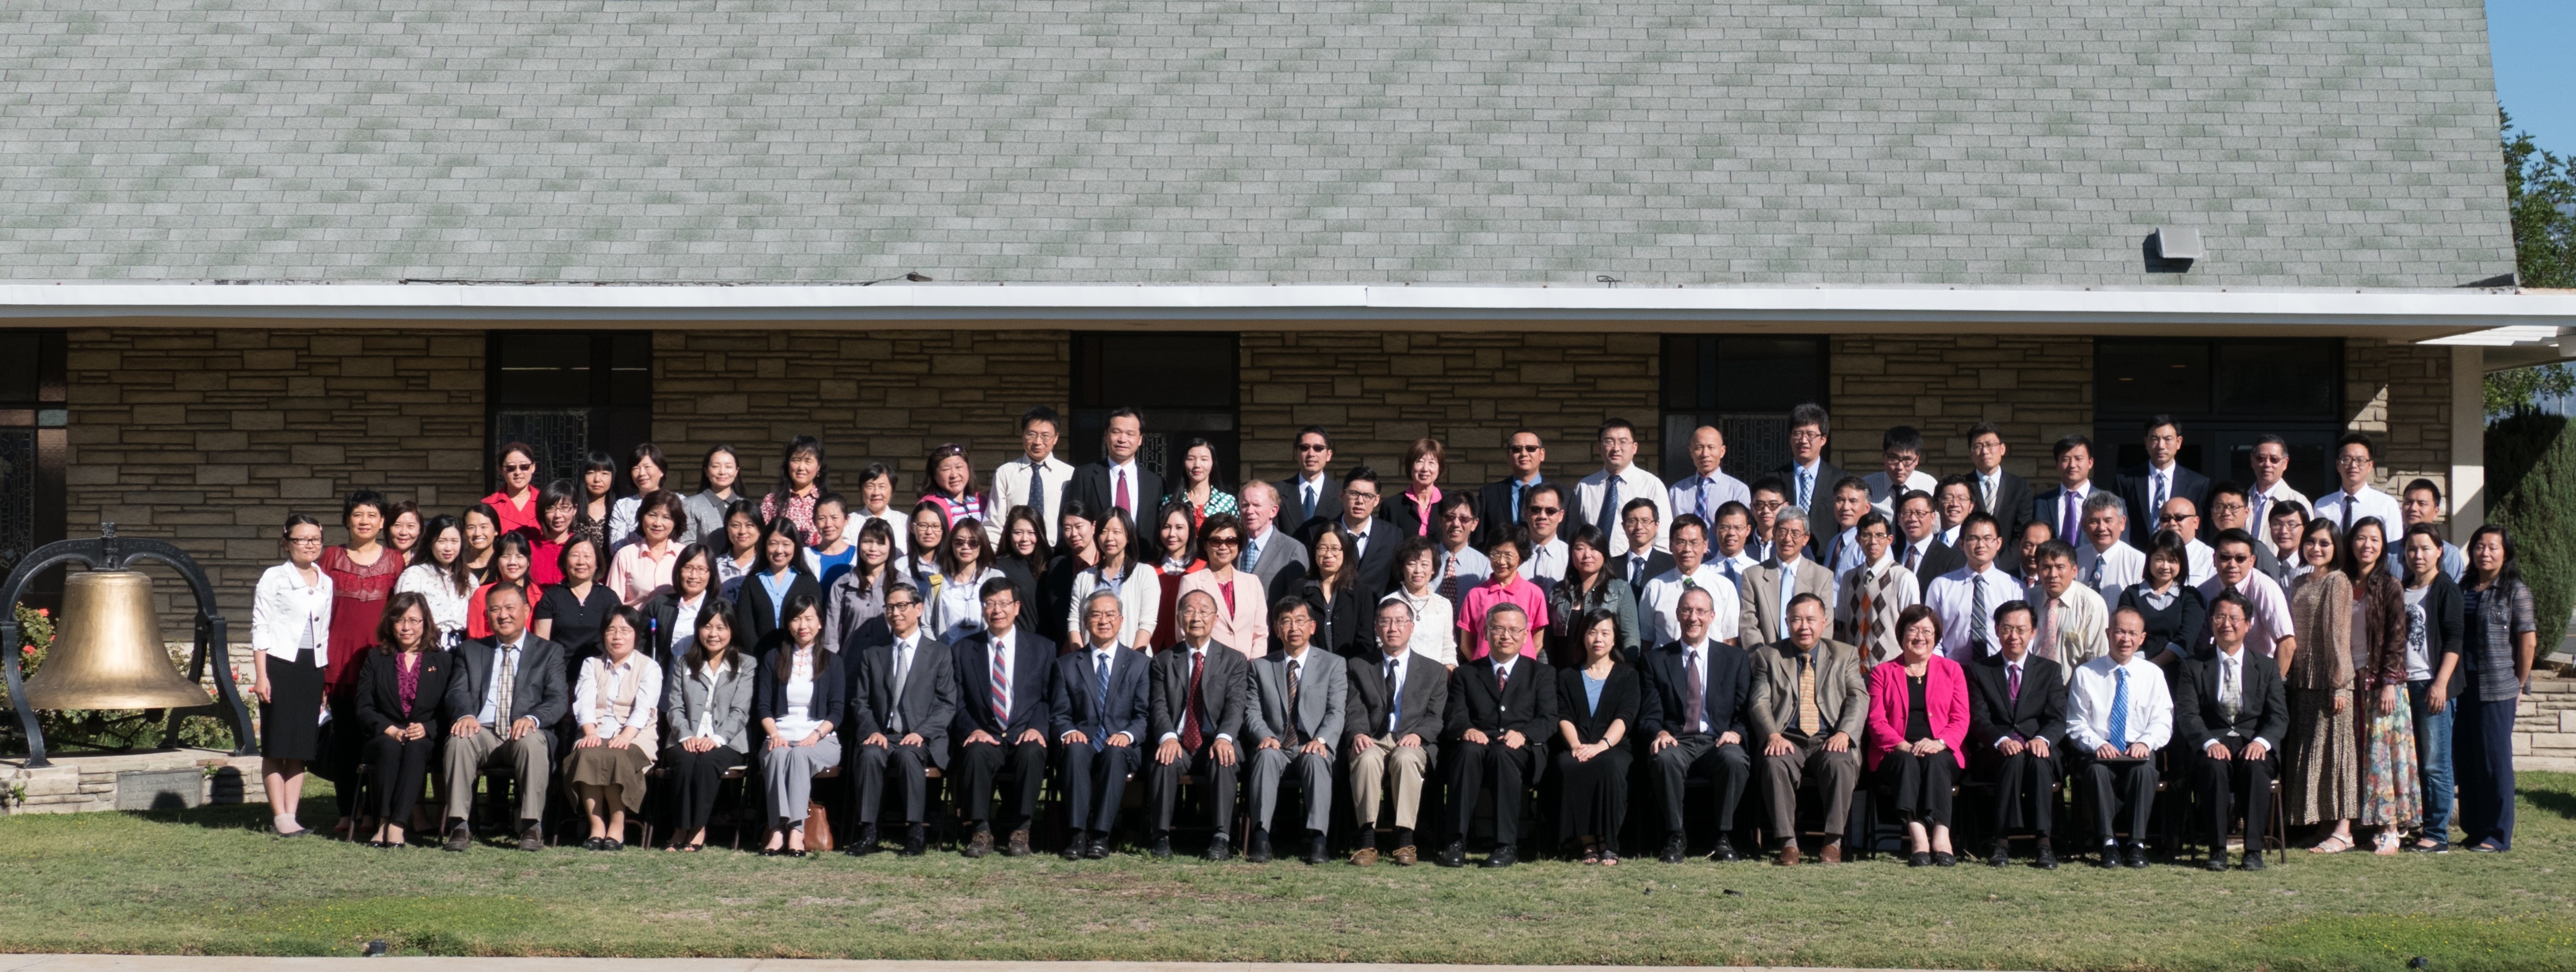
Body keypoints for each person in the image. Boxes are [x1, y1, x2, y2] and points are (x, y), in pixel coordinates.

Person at [440, 582, 569, 853]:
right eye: (495, 610)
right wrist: (465, 715)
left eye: (510, 608)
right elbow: (456, 692)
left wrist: (533, 718)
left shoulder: (549, 652)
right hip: (483, 731)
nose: (503, 615)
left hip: (523, 733)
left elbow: (558, 699)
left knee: (532, 741)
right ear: (486, 615)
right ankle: (459, 824)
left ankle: (532, 825)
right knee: (459, 739)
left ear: (526, 609)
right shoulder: (471, 650)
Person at [2175, 590, 2291, 871]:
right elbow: (2188, 714)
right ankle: (2218, 850)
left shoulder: (2266, 666)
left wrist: (2262, 742)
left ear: (2248, 624)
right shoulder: (2193, 665)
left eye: (2234, 618)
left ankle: (2253, 851)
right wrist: (2207, 742)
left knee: (2255, 767)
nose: (2226, 623)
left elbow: (2279, 716)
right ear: (2212, 622)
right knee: (2213, 766)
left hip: (2252, 742)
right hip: (2212, 742)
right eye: (2220, 617)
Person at [1747, 594, 1866, 866]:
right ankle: (1788, 844)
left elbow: (1859, 697)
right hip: (1787, 737)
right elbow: (1759, 702)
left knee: (1841, 763)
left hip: (1829, 737)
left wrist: (1845, 733)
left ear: (1824, 623)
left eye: (1811, 619)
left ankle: (1833, 842)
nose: (1804, 626)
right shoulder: (1769, 655)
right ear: (1787, 623)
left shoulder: (1844, 654)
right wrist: (1772, 734)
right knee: (1774, 763)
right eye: (1797, 620)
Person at [1639, 586, 1754, 864]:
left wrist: (1736, 733)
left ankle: (1723, 836)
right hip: (1678, 741)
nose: (1694, 617)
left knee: (1735, 760)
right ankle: (1675, 836)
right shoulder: (1656, 660)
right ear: (1678, 615)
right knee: (1664, 758)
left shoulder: (1735, 659)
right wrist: (1659, 732)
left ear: (1712, 616)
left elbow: (1745, 712)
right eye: (1687, 610)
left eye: (1701, 611)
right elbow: (1649, 714)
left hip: (1717, 741)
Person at [1438, 603, 1558, 869]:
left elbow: (1549, 719)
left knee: (1504, 754)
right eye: (1498, 629)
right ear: (1485, 632)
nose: (1506, 636)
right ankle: (1455, 842)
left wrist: (1524, 735)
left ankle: (1506, 845)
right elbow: (1455, 716)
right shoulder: (1466, 673)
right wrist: (1466, 730)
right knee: (1466, 751)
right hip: (1478, 744)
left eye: (1514, 630)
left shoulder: (1542, 674)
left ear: (1526, 635)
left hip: (1521, 749)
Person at [847, 581, 957, 857]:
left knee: (910, 755)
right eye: (890, 607)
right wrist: (872, 730)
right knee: (870, 754)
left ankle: (915, 831)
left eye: (902, 606)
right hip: (884, 734)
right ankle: (869, 831)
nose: (895, 613)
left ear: (919, 609)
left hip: (921, 737)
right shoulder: (874, 654)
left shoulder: (939, 653)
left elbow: (946, 703)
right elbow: (860, 701)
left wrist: (922, 732)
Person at [950, 578, 1054, 858]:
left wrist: (1037, 727)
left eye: (1004, 603)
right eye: (990, 604)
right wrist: (972, 729)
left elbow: (1048, 698)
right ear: (982, 609)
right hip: (986, 731)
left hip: (1024, 732)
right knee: (975, 752)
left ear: (1017, 607)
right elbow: (957, 701)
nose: (997, 610)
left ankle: (1021, 830)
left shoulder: (1042, 648)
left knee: (1033, 751)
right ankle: (981, 831)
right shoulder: (962, 650)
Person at [1148, 590, 1252, 860]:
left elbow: (1236, 706)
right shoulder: (1163, 661)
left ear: (1216, 618)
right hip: (1179, 741)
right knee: (1164, 759)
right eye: (1189, 611)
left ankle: (1221, 837)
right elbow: (1158, 706)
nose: (1197, 617)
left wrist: (1225, 737)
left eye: (1204, 611)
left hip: (1215, 740)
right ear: (1179, 618)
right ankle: (1160, 836)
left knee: (1225, 758)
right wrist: (1168, 737)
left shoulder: (1234, 660)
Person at [320, 490, 405, 823]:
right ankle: (348, 811)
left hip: (381, 661)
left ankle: (377, 810)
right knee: (345, 740)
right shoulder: (329, 557)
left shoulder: (397, 560)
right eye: (358, 515)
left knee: (379, 736)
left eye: (372, 515)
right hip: (338, 662)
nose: (365, 521)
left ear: (382, 522)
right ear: (347, 520)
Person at [1343, 598, 1449, 866]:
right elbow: (1353, 707)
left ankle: (1405, 840)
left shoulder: (1434, 671)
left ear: (1412, 627)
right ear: (1377, 628)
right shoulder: (1358, 665)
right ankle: (1366, 841)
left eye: (1400, 621)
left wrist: (1420, 735)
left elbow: (1436, 716)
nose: (1393, 628)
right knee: (1365, 758)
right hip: (1373, 737)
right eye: (1385, 622)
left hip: (1411, 738)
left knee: (1406, 758)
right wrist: (1358, 733)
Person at [1243, 597, 1347, 864]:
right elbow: (1252, 711)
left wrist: (1321, 739)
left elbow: (1337, 711)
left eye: (1300, 621)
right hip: (1277, 743)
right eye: (1286, 622)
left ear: (1312, 626)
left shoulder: (1333, 664)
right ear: (1276, 630)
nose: (1294, 628)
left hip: (1310, 742)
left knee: (1317, 758)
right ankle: (1262, 836)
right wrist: (1264, 736)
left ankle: (1318, 839)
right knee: (1264, 756)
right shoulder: (1260, 666)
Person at [2068, 607, 2173, 868]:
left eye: (2132, 633)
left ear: (2142, 638)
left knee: (2145, 772)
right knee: (2096, 773)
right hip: (2100, 750)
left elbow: (2164, 720)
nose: (2125, 639)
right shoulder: (2086, 673)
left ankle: (2137, 845)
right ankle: (2108, 844)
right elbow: (2075, 722)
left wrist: (2146, 743)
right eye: (2119, 632)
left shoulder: (2153, 674)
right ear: (2108, 633)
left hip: (2137, 748)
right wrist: (2098, 744)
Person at [1052, 590, 1154, 860]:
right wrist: (1069, 731)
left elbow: (1144, 716)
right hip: (1082, 741)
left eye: (1110, 615)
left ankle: (1100, 836)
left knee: (1115, 753)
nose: (1103, 621)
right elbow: (1059, 714)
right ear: (1085, 622)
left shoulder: (1140, 664)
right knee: (1074, 751)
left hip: (1120, 744)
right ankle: (1076, 835)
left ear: (1121, 621)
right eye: (1096, 615)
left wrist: (1128, 735)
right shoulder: (1066, 665)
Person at [1965, 600, 2067, 869]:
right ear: (1997, 631)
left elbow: (2057, 719)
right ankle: (2001, 843)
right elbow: (1978, 719)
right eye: (2007, 629)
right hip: (1995, 751)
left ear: (2033, 632)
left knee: (2039, 761)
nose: (2014, 636)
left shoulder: (2050, 671)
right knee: (2013, 759)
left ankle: (2044, 844)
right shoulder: (1979, 670)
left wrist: (2042, 739)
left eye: (2021, 630)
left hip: (2038, 747)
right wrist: (2001, 741)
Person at [2453, 524, 2535, 853]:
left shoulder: (2515, 590)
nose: (2485, 553)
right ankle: (2475, 829)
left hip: (2497, 687)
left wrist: (2519, 684)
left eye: (2493, 547)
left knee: (2494, 761)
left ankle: (2498, 834)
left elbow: (2527, 641)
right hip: (2462, 685)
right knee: (2468, 758)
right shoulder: (2465, 587)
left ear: (2506, 553)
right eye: (2479, 547)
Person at [1867, 606, 1970, 867]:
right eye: (1913, 630)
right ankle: (1917, 836)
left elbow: (1961, 719)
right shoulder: (1882, 673)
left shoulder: (1952, 670)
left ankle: (1942, 837)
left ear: (1936, 637)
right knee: (1907, 763)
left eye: (1927, 631)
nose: (1920, 637)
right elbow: (1876, 721)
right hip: (1895, 751)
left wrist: (1939, 743)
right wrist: (1903, 745)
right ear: (1901, 635)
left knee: (1936, 761)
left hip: (1942, 748)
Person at [254, 515, 334, 838]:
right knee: (277, 743)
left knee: (300, 745)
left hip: (311, 667)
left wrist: (324, 675)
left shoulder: (325, 580)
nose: (310, 545)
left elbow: (324, 631)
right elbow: (261, 626)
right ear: (287, 543)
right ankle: (279, 815)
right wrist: (261, 675)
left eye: (315, 539)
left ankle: (293, 814)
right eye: (302, 539)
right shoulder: (274, 577)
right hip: (279, 665)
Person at [2342, 518, 2419, 854]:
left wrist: (2390, 682)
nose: (2367, 545)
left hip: (2381, 683)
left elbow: (2397, 637)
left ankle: (2391, 828)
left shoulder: (2390, 585)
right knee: (2359, 756)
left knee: (2384, 756)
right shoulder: (2342, 582)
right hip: (2350, 680)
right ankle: (2364, 825)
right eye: (2361, 538)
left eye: (2375, 539)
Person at [2284, 518, 2361, 850]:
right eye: (2312, 542)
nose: (2316, 548)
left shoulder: (2338, 581)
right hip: (2301, 679)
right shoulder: (2298, 581)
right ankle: (2323, 824)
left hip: (2330, 679)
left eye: (2325, 543)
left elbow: (2338, 634)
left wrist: (2340, 683)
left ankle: (2344, 831)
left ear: (2335, 548)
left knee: (2336, 753)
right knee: (2311, 753)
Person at [353, 592, 449, 847]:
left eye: (414, 621)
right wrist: (388, 729)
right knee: (389, 746)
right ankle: (383, 821)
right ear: (390, 623)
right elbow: (363, 706)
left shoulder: (442, 660)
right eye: (400, 621)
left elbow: (448, 709)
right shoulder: (376, 658)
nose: (406, 628)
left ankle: (398, 825)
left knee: (416, 748)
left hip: (425, 738)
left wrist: (427, 728)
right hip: (384, 735)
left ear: (425, 623)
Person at [563, 606, 662, 851]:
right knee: (587, 755)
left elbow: (644, 708)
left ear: (636, 636)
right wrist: (590, 733)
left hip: (637, 735)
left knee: (615, 756)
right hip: (595, 730)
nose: (617, 637)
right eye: (611, 630)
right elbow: (584, 701)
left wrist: (626, 735)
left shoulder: (650, 667)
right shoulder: (591, 664)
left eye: (625, 631)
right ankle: (596, 828)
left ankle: (617, 827)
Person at [753, 592, 844, 857]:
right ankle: (777, 830)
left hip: (821, 739)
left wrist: (815, 735)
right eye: (796, 619)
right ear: (788, 624)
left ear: (820, 624)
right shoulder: (773, 658)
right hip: (780, 734)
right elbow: (763, 707)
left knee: (800, 755)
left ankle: (797, 831)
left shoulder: (833, 662)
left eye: (808, 619)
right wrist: (775, 735)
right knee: (778, 755)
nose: (802, 626)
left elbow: (837, 712)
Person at [659, 602, 753, 852]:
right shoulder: (684, 662)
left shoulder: (746, 664)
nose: (713, 634)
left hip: (727, 740)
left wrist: (717, 738)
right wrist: (686, 735)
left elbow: (740, 711)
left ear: (732, 630)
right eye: (707, 626)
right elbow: (675, 707)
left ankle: (698, 827)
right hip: (686, 735)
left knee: (707, 763)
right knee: (685, 762)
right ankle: (680, 828)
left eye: (721, 628)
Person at [2397, 523, 2465, 852]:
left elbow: (2454, 640)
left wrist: (2440, 683)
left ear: (2440, 551)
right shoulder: (2402, 588)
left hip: (2432, 686)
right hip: (2403, 685)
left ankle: (2437, 834)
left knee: (2436, 762)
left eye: (2425, 548)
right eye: (2412, 549)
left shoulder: (2446, 589)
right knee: (2415, 761)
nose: (2418, 555)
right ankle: (2422, 824)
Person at [1554, 609, 1640, 865]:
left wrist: (1601, 746)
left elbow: (1625, 717)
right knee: (1569, 765)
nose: (1598, 639)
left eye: (1605, 633)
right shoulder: (1567, 676)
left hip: (1614, 746)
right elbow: (1563, 715)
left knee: (1610, 766)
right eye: (1592, 632)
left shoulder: (1628, 676)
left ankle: (1608, 841)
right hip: (1577, 744)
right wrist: (1577, 746)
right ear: (1583, 637)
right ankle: (1586, 841)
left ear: (1615, 639)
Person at [1637, 513, 1737, 653]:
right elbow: (1646, 641)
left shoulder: (1724, 587)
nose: (1687, 549)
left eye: (1694, 543)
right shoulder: (1654, 588)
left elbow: (1729, 640)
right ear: (1671, 546)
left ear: (1705, 546)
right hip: (1667, 668)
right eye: (1681, 542)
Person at [1738, 505, 1834, 647]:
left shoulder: (1822, 576)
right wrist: (1766, 660)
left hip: (1808, 661)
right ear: (1774, 533)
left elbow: (1825, 625)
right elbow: (1749, 626)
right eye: (1783, 531)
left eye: (1795, 533)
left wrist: (1810, 660)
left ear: (1806, 538)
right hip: (1766, 659)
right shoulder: (1753, 575)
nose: (1788, 539)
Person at [1925, 513, 2016, 662]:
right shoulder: (1941, 585)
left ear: (1999, 543)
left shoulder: (2014, 587)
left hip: (2000, 672)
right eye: (1973, 539)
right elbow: (1932, 635)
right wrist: (1944, 669)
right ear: (1961, 544)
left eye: (1988, 539)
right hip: (1953, 670)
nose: (1981, 545)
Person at [1576, 417, 1671, 557]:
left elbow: (1663, 538)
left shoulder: (1652, 485)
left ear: (1635, 448)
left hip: (1634, 568)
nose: (1616, 448)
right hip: (1593, 569)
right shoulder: (1584, 488)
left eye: (1623, 442)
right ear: (1599, 447)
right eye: (1609, 442)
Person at [1548, 525, 1641, 666]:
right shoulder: (1558, 592)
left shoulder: (1620, 589)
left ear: (1604, 553)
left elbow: (1631, 639)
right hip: (1562, 675)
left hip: (1605, 676)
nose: (1587, 555)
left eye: (1594, 548)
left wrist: (1624, 675)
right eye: (1580, 548)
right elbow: (1548, 642)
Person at [2312, 433, 2405, 572]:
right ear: (2338, 464)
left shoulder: (2386, 505)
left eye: (2360, 460)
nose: (2353, 465)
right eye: (2346, 460)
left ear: (2370, 466)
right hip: (2330, 578)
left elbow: (2393, 551)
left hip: (2371, 579)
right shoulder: (2322, 506)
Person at [1179, 512, 1269, 657]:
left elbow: (1260, 634)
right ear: (1205, 544)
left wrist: (1253, 668)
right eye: (1216, 541)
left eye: (1231, 541)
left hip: (1247, 670)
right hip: (1207, 669)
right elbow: (1184, 633)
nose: (1223, 547)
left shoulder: (1253, 583)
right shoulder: (1191, 582)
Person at [1067, 508, 1159, 649]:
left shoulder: (1145, 574)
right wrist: (1081, 661)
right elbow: (1074, 623)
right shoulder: (1084, 578)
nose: (1109, 538)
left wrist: (1132, 662)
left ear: (1128, 536)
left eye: (1117, 532)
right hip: (1090, 662)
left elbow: (1147, 623)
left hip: (1133, 661)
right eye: (1104, 532)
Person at [1834, 512, 1918, 665]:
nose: (1873, 542)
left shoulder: (1903, 577)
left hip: (1891, 668)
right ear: (1858, 540)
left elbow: (1913, 626)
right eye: (1867, 535)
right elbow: (1844, 625)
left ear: (1889, 540)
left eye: (1880, 536)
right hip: (1855, 669)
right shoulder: (1849, 578)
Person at [2204, 529, 2300, 661]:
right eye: (2225, 557)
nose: (2232, 564)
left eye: (2240, 559)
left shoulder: (2265, 588)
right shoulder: (2205, 591)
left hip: (2260, 672)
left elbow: (2287, 644)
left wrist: (2274, 681)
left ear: (2252, 561)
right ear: (2215, 559)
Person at [1458, 526, 1550, 662]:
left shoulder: (1534, 594)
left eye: (1508, 555)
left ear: (1521, 558)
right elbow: (1466, 645)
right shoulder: (1475, 595)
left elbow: (1537, 642)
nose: (1501, 561)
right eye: (1496, 554)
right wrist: (1481, 668)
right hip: (1484, 673)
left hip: (1521, 674)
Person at [733, 517, 824, 651]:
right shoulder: (752, 583)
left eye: (786, 544)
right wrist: (759, 656)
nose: (779, 551)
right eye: (773, 544)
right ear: (764, 546)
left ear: (796, 546)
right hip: (759, 660)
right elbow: (745, 626)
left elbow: (816, 623)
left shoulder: (808, 582)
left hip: (799, 660)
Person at [2121, 535, 2208, 671]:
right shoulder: (2131, 595)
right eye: (2159, 559)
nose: (2165, 566)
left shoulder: (2191, 597)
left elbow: (2186, 639)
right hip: (2138, 671)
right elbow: (2127, 634)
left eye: (2172, 560)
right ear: (2149, 560)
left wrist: (2154, 666)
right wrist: (2143, 666)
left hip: (2181, 674)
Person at [821, 518, 906, 654]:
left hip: (890, 668)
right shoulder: (842, 585)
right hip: (850, 667)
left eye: (880, 543)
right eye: (867, 542)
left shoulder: (904, 584)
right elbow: (831, 639)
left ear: (891, 548)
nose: (873, 549)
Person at [992, 406, 1075, 543]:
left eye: (1045, 436)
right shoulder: (1005, 473)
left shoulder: (1069, 474)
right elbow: (994, 522)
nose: (1038, 442)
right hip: (1017, 549)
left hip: (1056, 552)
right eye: (1032, 434)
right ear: (1023, 435)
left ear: (1056, 438)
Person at [2024, 540, 2110, 669]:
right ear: (2038, 570)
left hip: (2071, 687)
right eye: (2046, 568)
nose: (2053, 575)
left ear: (2074, 570)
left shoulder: (2091, 604)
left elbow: (2098, 658)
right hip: (2032, 684)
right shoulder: (2028, 598)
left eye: (2060, 568)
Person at [533, 538, 619, 663]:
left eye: (587, 556)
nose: (581, 562)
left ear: (597, 563)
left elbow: (618, 637)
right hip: (559, 672)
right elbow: (542, 644)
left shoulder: (609, 597)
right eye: (575, 556)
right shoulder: (551, 596)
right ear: (565, 561)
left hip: (599, 673)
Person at [1319, 466, 1399, 598]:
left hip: (1375, 614)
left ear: (1377, 500)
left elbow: (1395, 582)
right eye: (1354, 494)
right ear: (1342, 496)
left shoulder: (1392, 536)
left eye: (1368, 496)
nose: (1360, 501)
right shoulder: (1322, 533)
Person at [1071, 407, 1162, 522]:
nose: (1122, 439)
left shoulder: (1155, 483)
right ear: (1105, 436)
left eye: (1130, 434)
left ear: (1140, 440)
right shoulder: (1084, 476)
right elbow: (1073, 520)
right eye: (1116, 432)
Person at [395, 514, 475, 646]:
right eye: (442, 541)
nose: (448, 548)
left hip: (463, 647)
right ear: (430, 543)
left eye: (454, 541)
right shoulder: (415, 575)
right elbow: (402, 616)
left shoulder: (469, 579)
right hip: (427, 646)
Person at [1382, 538, 1460, 668]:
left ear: (1433, 569)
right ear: (1402, 567)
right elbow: (1384, 644)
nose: (1418, 570)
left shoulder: (1443, 605)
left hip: (1437, 680)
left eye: (1424, 564)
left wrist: (1446, 677)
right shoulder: (1388, 603)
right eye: (1412, 564)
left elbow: (1448, 649)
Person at [928, 516, 1003, 645]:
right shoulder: (938, 583)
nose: (965, 547)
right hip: (949, 657)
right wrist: (940, 654)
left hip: (984, 654)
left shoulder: (995, 578)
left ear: (982, 544)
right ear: (951, 545)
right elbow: (927, 625)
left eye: (973, 542)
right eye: (959, 542)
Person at [605, 490, 686, 607]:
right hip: (634, 624)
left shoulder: (684, 555)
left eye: (666, 517)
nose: (657, 523)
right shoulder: (625, 556)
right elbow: (613, 604)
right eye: (652, 515)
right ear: (642, 517)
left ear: (675, 522)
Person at [1300, 525, 1369, 659]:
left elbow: (1365, 641)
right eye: (1323, 548)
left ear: (1346, 552)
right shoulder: (1299, 589)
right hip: (1310, 670)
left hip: (1350, 672)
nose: (1328, 555)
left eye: (1335, 549)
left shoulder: (1361, 592)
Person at [1037, 498, 1099, 645]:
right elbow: (1061, 616)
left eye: (1079, 526)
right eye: (1067, 528)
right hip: (1073, 644)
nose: (1073, 534)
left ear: (1093, 526)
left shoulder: (1107, 561)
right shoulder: (1058, 566)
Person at [1478, 430, 1552, 547]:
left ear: (1542, 454)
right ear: (1508, 456)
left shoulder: (1564, 495)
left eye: (1531, 448)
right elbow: (1480, 541)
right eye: (1517, 449)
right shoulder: (1489, 495)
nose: (1524, 454)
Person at [1773, 403, 1849, 515]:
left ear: (1823, 439)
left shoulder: (1840, 479)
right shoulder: (1775, 478)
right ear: (1790, 438)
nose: (1803, 440)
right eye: (1798, 434)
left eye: (1810, 434)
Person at [1667, 425, 1750, 528]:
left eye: (1711, 447)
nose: (1705, 454)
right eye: (1699, 448)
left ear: (1722, 451)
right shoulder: (1677, 491)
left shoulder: (1738, 490)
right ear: (1691, 452)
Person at [1146, 502, 1204, 650]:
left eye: (1179, 528)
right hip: (1151, 648)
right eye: (1166, 527)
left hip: (1189, 649)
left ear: (1191, 530)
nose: (1172, 534)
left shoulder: (1203, 569)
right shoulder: (1147, 570)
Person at [1238, 481, 1310, 596]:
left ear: (1274, 511)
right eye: (1245, 505)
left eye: (1257, 505)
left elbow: (1296, 599)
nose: (1250, 511)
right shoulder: (1233, 545)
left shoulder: (1292, 549)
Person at [464, 533, 542, 641]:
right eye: (506, 557)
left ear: (529, 561)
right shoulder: (482, 594)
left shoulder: (539, 597)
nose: (512, 562)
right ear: (497, 561)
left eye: (519, 557)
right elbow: (475, 637)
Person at [1964, 422, 2034, 538]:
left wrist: (2005, 557)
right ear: (1971, 454)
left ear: (2002, 449)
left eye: (1990, 445)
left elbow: (2022, 531)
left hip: (2008, 555)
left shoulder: (2019, 486)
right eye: (1978, 446)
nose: (1985, 451)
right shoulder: (1963, 485)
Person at [759, 436, 830, 546]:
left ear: (819, 467)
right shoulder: (772, 501)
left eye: (808, 461)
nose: (801, 467)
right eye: (796, 460)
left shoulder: (827, 502)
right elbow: (761, 539)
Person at [2204, 481, 2283, 579]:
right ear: (2212, 513)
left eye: (2234, 507)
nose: (2226, 512)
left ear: (2247, 512)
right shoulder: (2205, 550)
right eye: (2220, 507)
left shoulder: (2258, 551)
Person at [1894, 490, 1965, 597]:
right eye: (1907, 513)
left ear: (1933, 518)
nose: (1913, 519)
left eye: (1920, 514)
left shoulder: (1951, 558)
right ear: (1899, 519)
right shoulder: (1891, 554)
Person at [2073, 492, 2144, 598]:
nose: (2102, 528)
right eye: (2094, 521)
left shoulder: (2138, 562)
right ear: (2084, 525)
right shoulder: (2075, 558)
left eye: (2108, 521)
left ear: (2122, 523)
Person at [2033, 434, 2097, 547]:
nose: (2072, 465)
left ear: (2090, 462)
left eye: (2079, 459)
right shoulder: (2040, 503)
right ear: (2057, 465)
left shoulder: (2111, 503)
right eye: (2065, 459)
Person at [2398, 479, 2469, 582]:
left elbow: (2453, 595)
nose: (2413, 508)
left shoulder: (2449, 554)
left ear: (2436, 512)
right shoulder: (2388, 551)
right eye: (2408, 502)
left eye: (2421, 504)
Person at [1863, 425, 1938, 520]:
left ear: (1917, 460)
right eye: (1893, 458)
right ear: (1884, 456)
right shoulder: (1867, 486)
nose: (1900, 467)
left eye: (1907, 460)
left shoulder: (1930, 485)